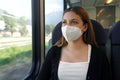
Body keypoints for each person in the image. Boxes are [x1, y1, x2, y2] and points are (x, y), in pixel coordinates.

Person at [39, 6, 112, 80]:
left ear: (85, 27)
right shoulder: (53, 52)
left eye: (74, 22)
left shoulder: (98, 55)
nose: (67, 26)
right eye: (64, 22)